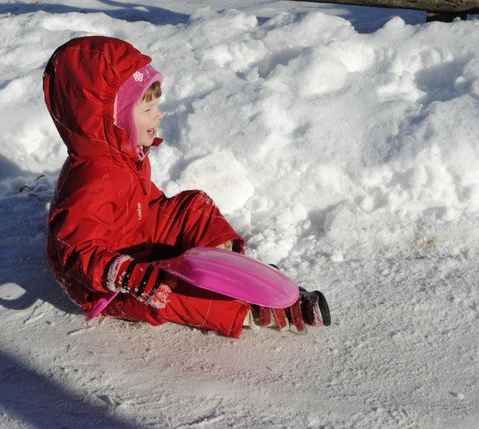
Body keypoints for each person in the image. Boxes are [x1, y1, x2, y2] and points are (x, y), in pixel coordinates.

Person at [42, 36, 329, 339]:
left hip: (135, 236)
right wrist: (126, 274)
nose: (158, 114)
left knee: (193, 205)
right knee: (166, 291)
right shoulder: (90, 178)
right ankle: (250, 307)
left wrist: (176, 219)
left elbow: (145, 202)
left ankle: (234, 273)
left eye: (156, 105)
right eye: (147, 108)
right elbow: (76, 253)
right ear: (113, 120)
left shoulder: (124, 155)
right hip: (110, 283)